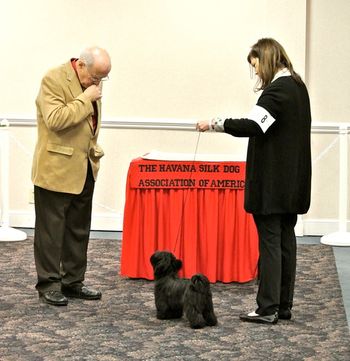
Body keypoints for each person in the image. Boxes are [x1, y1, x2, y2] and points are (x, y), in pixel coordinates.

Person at [197, 38, 311, 324]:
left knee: (271, 243)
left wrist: (215, 123)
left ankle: (267, 308)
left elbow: (253, 126)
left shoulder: (276, 92)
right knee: (286, 241)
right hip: (292, 183)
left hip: (272, 185)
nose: (256, 73)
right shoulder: (298, 87)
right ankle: (283, 305)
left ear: (267, 60)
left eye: (256, 66)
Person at [32, 46, 111, 306]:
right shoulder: (53, 79)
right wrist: (85, 98)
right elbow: (55, 120)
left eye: (102, 78)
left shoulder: (90, 83)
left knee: (78, 230)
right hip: (55, 168)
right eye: (95, 77)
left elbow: (88, 126)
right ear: (81, 65)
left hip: (85, 167)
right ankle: (49, 284)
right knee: (51, 232)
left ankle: (73, 282)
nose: (98, 83)